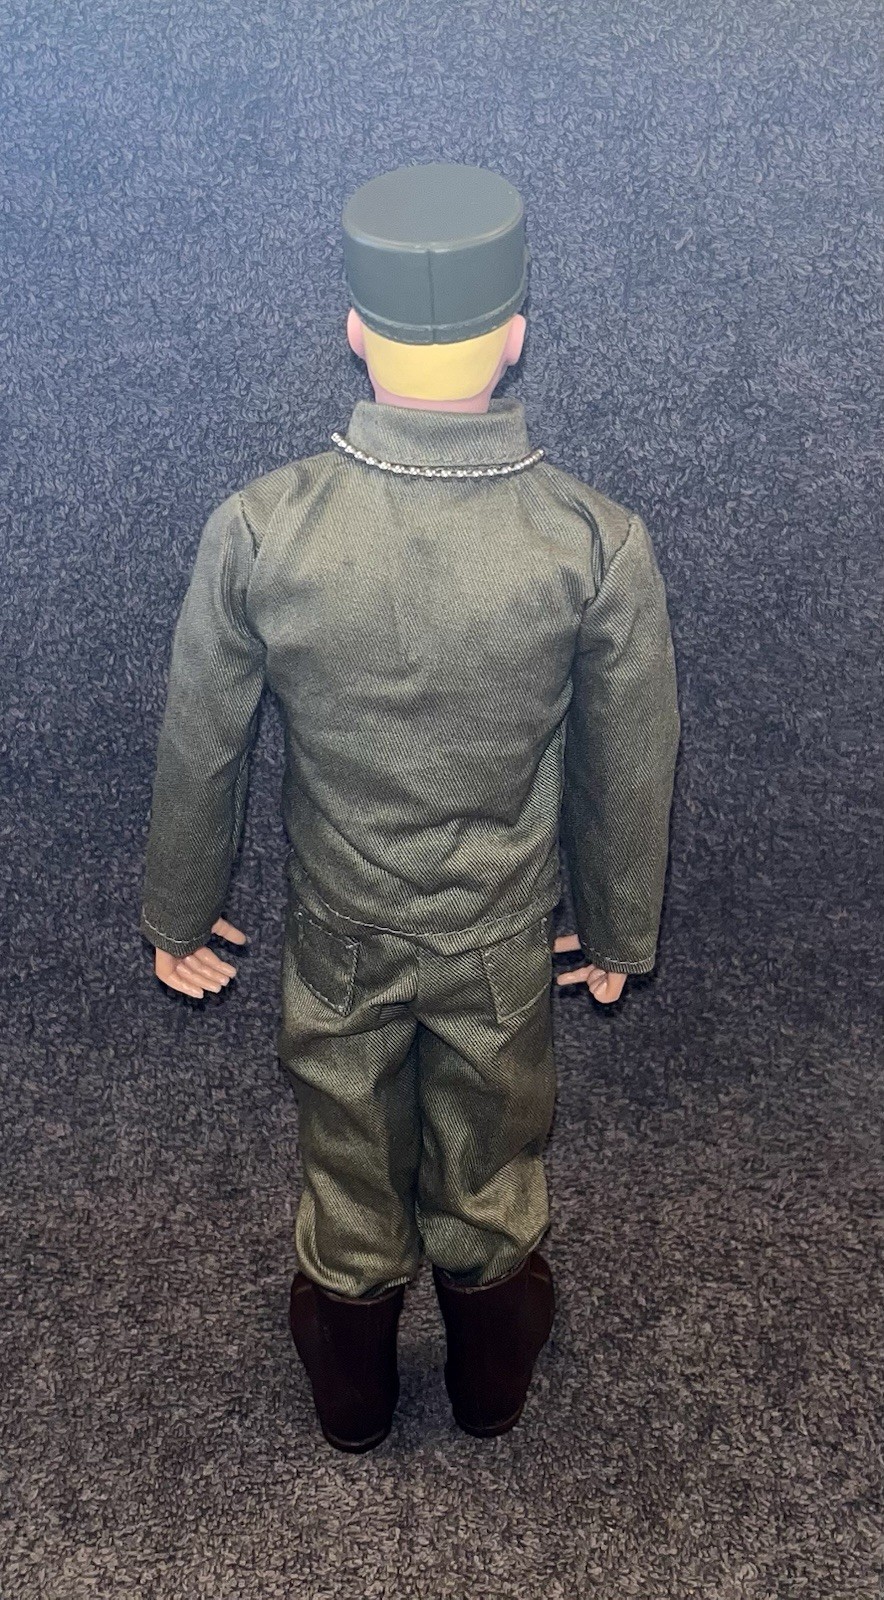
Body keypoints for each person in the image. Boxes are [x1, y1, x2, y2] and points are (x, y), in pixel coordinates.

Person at [140, 162, 680, 1452]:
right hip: (497, 933)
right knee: (492, 1153)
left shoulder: (263, 527)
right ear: (516, 336)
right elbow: (629, 761)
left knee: (346, 1149)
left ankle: (352, 1394)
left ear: (353, 329)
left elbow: (202, 742)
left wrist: (180, 911)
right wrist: (618, 928)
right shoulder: (593, 539)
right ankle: (492, 1381)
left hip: (340, 926)